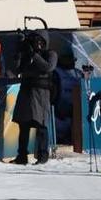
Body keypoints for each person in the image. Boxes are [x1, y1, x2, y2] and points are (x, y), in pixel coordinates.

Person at [10, 30, 58, 165]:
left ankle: (43, 155)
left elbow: (48, 67)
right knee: (23, 125)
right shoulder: (28, 53)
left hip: (41, 94)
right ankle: (22, 156)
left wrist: (34, 55)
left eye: (40, 42)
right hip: (26, 92)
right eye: (35, 41)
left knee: (41, 125)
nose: (38, 44)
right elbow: (17, 69)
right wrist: (20, 53)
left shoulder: (50, 54)